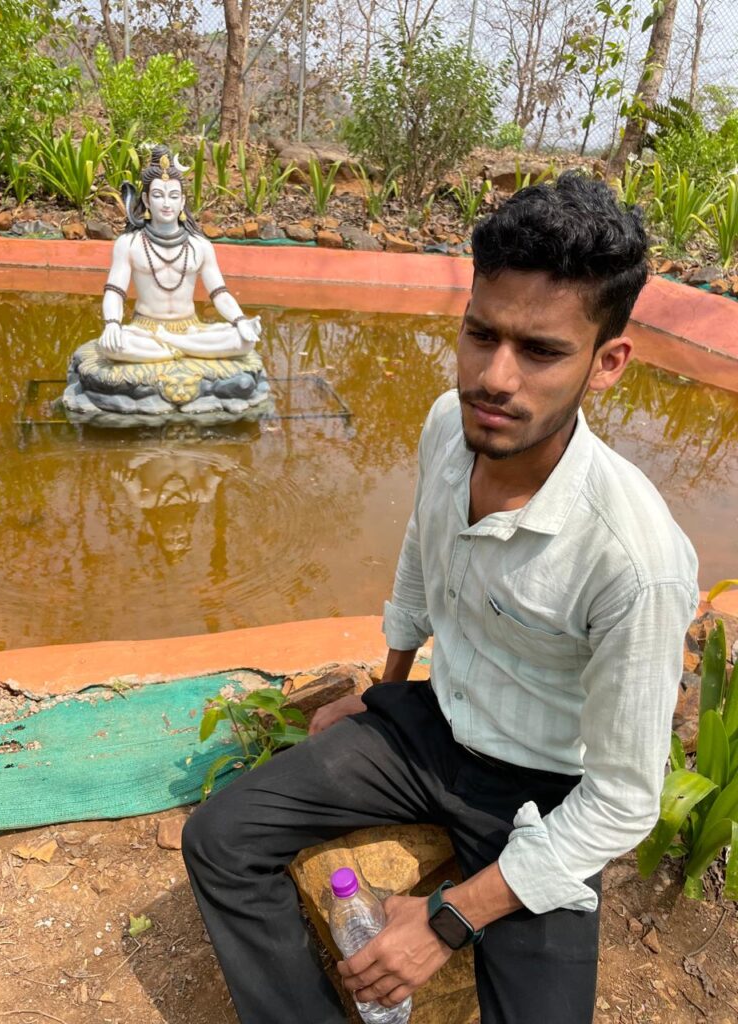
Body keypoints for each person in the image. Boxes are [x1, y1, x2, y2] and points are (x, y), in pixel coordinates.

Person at [182, 172, 699, 1024]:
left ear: (606, 363)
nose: (494, 378)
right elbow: (422, 559)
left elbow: (623, 801)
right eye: (480, 334)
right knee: (221, 838)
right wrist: (380, 692)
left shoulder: (633, 560)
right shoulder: (444, 429)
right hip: (430, 728)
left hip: (542, 793)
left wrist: (447, 918)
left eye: (540, 351)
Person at [98, 145, 261, 363]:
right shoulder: (129, 243)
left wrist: (239, 320)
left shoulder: (200, 245)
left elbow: (220, 294)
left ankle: (170, 345)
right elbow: (115, 292)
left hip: (190, 327)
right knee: (111, 346)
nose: (167, 204)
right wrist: (112, 324)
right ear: (146, 200)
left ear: (182, 201)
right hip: (145, 329)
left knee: (245, 341)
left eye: (173, 196)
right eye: (158, 195)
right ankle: (188, 349)